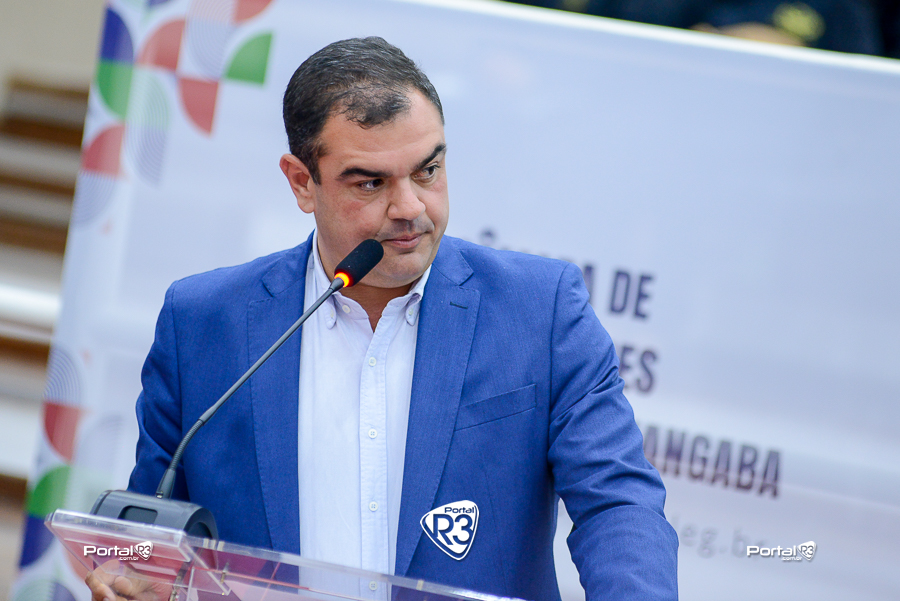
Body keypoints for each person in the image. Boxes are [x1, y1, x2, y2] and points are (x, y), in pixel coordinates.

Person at [86, 37, 678, 601]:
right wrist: (132, 574)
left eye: (428, 170)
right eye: (371, 183)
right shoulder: (202, 324)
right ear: (302, 182)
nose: (411, 207)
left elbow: (617, 503)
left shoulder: (539, 311)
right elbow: (149, 532)